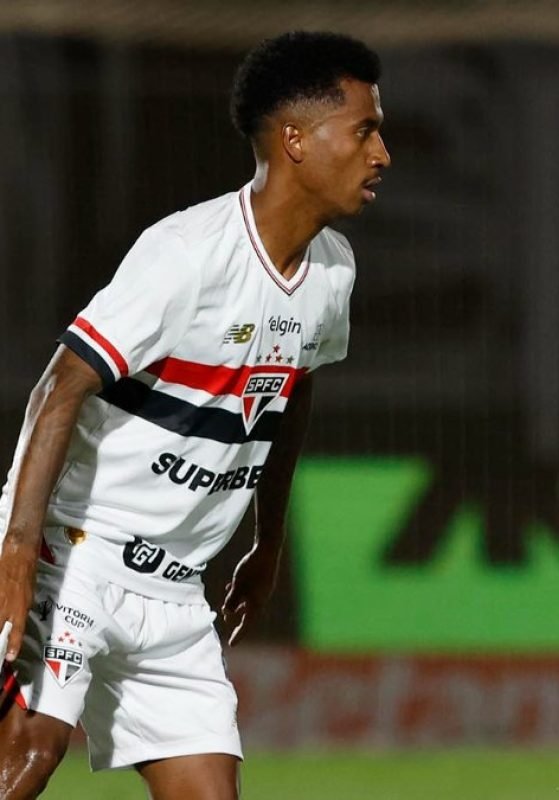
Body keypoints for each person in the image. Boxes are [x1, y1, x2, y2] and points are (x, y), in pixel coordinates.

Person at [0, 31, 389, 799]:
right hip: (74, 558)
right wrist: (16, 553)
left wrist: (268, 541)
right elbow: (61, 386)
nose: (382, 154)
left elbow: (291, 392)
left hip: (178, 596)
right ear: (296, 141)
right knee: (24, 761)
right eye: (366, 130)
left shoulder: (333, 272)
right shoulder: (186, 254)